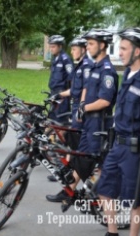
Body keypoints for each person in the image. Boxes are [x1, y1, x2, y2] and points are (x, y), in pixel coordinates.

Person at [97, 27, 140, 236]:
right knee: (104, 190)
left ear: (138, 51)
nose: (120, 53)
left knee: (133, 199)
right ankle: (112, 232)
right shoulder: (127, 73)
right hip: (117, 144)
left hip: (134, 150)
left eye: (124, 48)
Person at [46, 29, 118, 202]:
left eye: (91, 43)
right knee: (82, 156)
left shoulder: (107, 71)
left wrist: (84, 108)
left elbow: (105, 101)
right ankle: (71, 192)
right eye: (87, 43)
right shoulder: (94, 67)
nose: (88, 46)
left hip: (100, 123)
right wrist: (81, 109)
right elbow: (85, 89)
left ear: (103, 45)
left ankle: (98, 197)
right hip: (88, 120)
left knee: (93, 160)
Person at [45, 37, 93, 199]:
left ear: (83, 50)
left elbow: (80, 90)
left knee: (77, 148)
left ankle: (69, 188)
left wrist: (64, 97)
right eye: (72, 49)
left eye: (75, 49)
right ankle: (65, 176)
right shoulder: (80, 64)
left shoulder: (85, 66)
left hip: (78, 110)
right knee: (73, 145)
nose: (72, 52)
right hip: (74, 107)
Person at [47, 35, 74, 122]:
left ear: (60, 46)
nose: (51, 49)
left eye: (53, 47)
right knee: (52, 117)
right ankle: (51, 135)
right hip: (54, 92)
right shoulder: (55, 58)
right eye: (50, 47)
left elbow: (71, 77)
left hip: (62, 93)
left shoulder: (66, 59)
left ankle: (61, 135)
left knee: (60, 119)